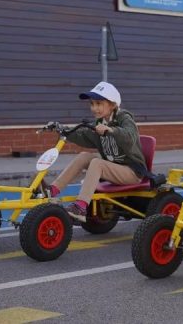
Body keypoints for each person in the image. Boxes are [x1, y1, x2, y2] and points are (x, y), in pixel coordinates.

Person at [44, 82, 146, 223]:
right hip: (113, 168)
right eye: (92, 104)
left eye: (99, 103)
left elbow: (130, 136)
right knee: (84, 156)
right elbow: (84, 135)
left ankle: (80, 207)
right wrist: (60, 128)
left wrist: (111, 130)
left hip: (132, 171)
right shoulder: (99, 122)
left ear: (112, 104)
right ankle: (53, 190)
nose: (94, 108)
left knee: (97, 163)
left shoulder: (124, 118)